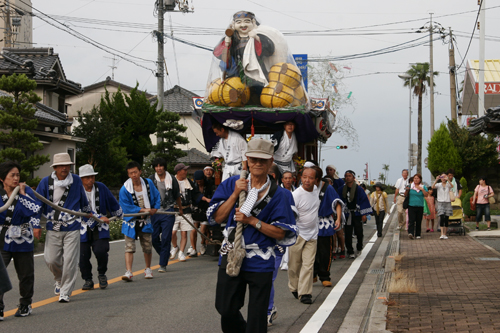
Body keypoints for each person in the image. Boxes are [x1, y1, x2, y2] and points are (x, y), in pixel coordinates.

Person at [207, 138, 297, 333]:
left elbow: (281, 232)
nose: (258, 163)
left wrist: (252, 221)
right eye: (254, 159)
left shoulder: (282, 195)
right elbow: (216, 218)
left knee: (257, 315)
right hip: (232, 253)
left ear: (270, 161)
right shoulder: (231, 183)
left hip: (261, 258)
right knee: (225, 307)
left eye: (263, 160)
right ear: (246, 159)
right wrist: (234, 195)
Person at [36, 153, 93, 302]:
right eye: (61, 165)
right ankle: (59, 278)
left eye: (67, 165)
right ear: (54, 167)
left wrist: (91, 215)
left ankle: (65, 292)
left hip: (72, 226)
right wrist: (36, 224)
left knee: (70, 260)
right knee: (51, 259)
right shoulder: (45, 182)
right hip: (53, 226)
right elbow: (38, 205)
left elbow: (83, 200)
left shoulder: (75, 181)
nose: (65, 168)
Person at [0, 161, 41, 318]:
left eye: (18, 175)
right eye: (12, 175)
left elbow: (34, 210)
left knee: (25, 274)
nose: (16, 178)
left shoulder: (26, 191)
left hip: (22, 237)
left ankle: (25, 304)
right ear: (2, 178)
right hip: (2, 237)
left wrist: (22, 194)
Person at [213, 11, 276, 101]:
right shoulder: (232, 38)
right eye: (239, 22)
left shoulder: (259, 36)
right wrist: (227, 43)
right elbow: (217, 53)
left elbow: (270, 49)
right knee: (236, 95)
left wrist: (257, 38)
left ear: (253, 23)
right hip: (236, 74)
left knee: (259, 96)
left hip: (256, 73)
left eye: (247, 21)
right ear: (233, 24)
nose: (243, 25)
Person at [79, 164, 123, 290]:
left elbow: (112, 202)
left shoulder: (101, 187)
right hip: (82, 226)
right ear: (81, 179)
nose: (90, 180)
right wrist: (97, 217)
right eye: (87, 177)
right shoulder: (76, 190)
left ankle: (102, 273)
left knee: (101, 250)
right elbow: (76, 208)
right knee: (82, 255)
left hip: (101, 226)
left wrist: (119, 214)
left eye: (92, 176)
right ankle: (87, 279)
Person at [119, 161, 161, 281]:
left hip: (146, 219)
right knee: (129, 247)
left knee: (147, 246)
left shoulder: (148, 183)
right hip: (131, 221)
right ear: (128, 174)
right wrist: (142, 209)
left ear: (140, 172)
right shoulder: (124, 189)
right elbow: (125, 206)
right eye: (131, 173)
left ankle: (148, 268)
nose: (134, 175)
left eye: (135, 172)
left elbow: (157, 196)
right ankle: (128, 271)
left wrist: (155, 208)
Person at [288, 167, 322, 304]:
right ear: (301, 178)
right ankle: (294, 287)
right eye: (305, 177)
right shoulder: (296, 195)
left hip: (312, 235)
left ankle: (305, 293)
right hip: (298, 234)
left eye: (311, 178)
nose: (307, 180)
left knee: (308, 265)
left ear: (316, 180)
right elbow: (290, 214)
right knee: (294, 265)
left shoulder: (316, 190)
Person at [148, 157, 182, 273]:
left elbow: (177, 195)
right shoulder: (151, 179)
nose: (159, 168)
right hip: (155, 211)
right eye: (156, 166)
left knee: (166, 237)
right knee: (154, 237)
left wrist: (180, 209)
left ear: (164, 167)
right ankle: (165, 253)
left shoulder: (172, 179)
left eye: (160, 166)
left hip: (168, 211)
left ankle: (163, 264)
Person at [312, 166, 343, 287]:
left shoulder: (328, 188)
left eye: (311, 177)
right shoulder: (304, 188)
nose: (308, 180)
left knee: (324, 251)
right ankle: (312, 274)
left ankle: (324, 275)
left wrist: (338, 219)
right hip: (308, 224)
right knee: (310, 252)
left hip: (323, 223)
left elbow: (337, 203)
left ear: (318, 178)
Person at [170, 163, 208, 261]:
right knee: (172, 232)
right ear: (179, 172)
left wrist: (206, 199)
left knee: (184, 233)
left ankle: (181, 252)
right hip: (174, 210)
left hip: (186, 209)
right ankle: (175, 246)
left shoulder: (189, 183)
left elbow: (196, 194)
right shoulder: (171, 181)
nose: (186, 172)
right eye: (184, 170)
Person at [338, 170, 372, 258]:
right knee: (348, 233)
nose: (347, 177)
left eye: (349, 176)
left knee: (359, 232)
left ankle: (359, 247)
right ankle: (350, 251)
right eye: (346, 176)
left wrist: (364, 214)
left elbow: (364, 201)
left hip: (357, 214)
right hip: (347, 214)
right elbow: (338, 201)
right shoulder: (341, 189)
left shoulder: (359, 189)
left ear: (353, 178)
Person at [191, 170, 214, 255]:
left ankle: (202, 243)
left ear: (203, 179)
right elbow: (195, 195)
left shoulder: (209, 184)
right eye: (197, 181)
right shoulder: (193, 186)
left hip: (205, 209)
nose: (199, 183)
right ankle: (193, 248)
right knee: (194, 229)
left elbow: (211, 195)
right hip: (196, 209)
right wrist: (205, 199)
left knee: (203, 230)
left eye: (200, 181)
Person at [406, 173, 429, 239]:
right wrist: (407, 190)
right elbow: (406, 194)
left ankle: (418, 234)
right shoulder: (410, 186)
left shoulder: (423, 186)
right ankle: (411, 233)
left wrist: (422, 189)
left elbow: (426, 195)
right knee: (411, 220)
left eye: (417, 178)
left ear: (420, 180)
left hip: (420, 206)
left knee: (419, 220)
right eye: (415, 178)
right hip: (411, 205)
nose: (416, 180)